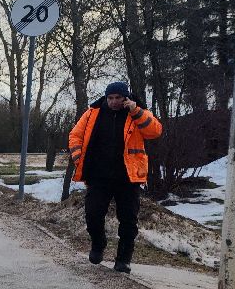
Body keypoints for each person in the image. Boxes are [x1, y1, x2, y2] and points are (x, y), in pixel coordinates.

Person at [66, 81, 163, 273]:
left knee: (128, 220)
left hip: (128, 177)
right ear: (106, 97)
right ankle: (98, 243)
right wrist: (78, 158)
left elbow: (155, 131)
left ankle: (123, 260)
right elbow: (75, 135)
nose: (114, 102)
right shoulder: (93, 112)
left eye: (118, 98)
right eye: (110, 98)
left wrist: (136, 112)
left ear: (125, 97)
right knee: (92, 214)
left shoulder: (138, 112)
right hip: (98, 175)